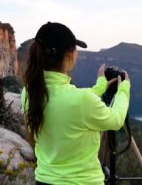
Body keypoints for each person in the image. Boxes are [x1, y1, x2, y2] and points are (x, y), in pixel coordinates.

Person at [20, 22, 131, 185]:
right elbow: (115, 120)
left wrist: (99, 87)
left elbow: (66, 103)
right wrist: (124, 88)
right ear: (68, 55)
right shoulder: (81, 100)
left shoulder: (28, 92)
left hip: (44, 180)